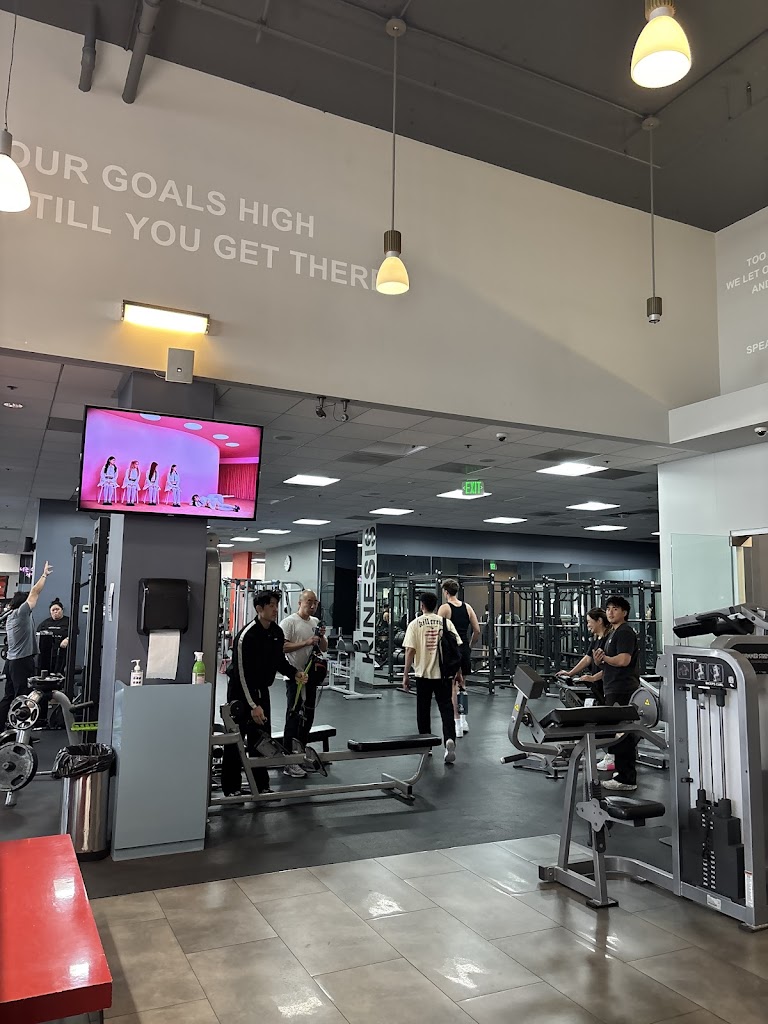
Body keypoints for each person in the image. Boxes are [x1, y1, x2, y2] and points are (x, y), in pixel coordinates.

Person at [220, 589, 305, 796]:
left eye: (276, 605)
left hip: (261, 691)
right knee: (235, 739)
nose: (275, 609)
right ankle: (231, 788)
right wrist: (252, 706)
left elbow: (279, 661)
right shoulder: (246, 636)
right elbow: (241, 674)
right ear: (259, 609)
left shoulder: (276, 632)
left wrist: (295, 673)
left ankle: (261, 785)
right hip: (240, 693)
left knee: (261, 739)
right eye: (271, 606)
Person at [403, 591, 462, 764]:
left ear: (422, 605)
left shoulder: (415, 624)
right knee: (446, 708)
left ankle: (426, 745)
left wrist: (406, 675)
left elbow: (410, 651)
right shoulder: (445, 623)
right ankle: (449, 740)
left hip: (423, 674)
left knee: (423, 710)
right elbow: (456, 648)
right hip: (443, 674)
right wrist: (458, 673)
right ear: (436, 606)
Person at [593, 594, 641, 791]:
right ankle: (621, 772)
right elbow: (607, 662)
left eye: (615, 609)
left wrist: (605, 658)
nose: (610, 612)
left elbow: (623, 660)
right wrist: (599, 661)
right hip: (612, 686)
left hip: (623, 688)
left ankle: (626, 779)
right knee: (617, 732)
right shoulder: (613, 633)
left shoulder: (625, 632)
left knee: (623, 734)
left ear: (624, 612)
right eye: (608, 609)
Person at [279, 590, 328, 778]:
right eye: (309, 601)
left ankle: (299, 756)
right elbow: (283, 646)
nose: (312, 605)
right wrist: (307, 642)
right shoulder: (289, 622)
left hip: (311, 677)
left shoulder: (315, 622)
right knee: (293, 717)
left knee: (308, 717)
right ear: (300, 602)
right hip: (295, 677)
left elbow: (323, 648)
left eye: (315, 602)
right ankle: (288, 761)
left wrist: (321, 637)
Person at [0, 562, 52, 730]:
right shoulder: (21, 614)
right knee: (23, 698)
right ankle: (20, 734)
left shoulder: (11, 616)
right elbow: (35, 592)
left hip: (11, 662)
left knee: (9, 696)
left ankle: (3, 729)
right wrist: (44, 575)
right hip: (21, 662)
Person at [438, 580, 480, 737]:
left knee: (452, 688)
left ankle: (456, 724)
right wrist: (469, 646)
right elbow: (477, 630)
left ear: (446, 592)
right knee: (463, 685)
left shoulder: (444, 608)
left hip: (452, 650)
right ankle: (463, 721)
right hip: (464, 649)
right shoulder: (467, 607)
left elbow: (437, 630)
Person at [557, 606, 609, 705]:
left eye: (589, 621)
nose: (588, 625)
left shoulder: (608, 640)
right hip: (598, 685)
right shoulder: (596, 639)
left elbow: (611, 668)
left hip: (607, 686)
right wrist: (570, 673)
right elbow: (587, 658)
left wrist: (593, 678)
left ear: (599, 621)